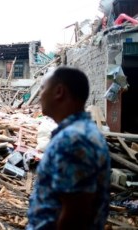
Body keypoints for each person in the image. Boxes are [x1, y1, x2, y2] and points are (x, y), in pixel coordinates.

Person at [27, 66, 110, 230]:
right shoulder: (81, 132)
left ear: (59, 91)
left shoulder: (73, 141)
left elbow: (76, 215)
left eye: (43, 88)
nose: (39, 96)